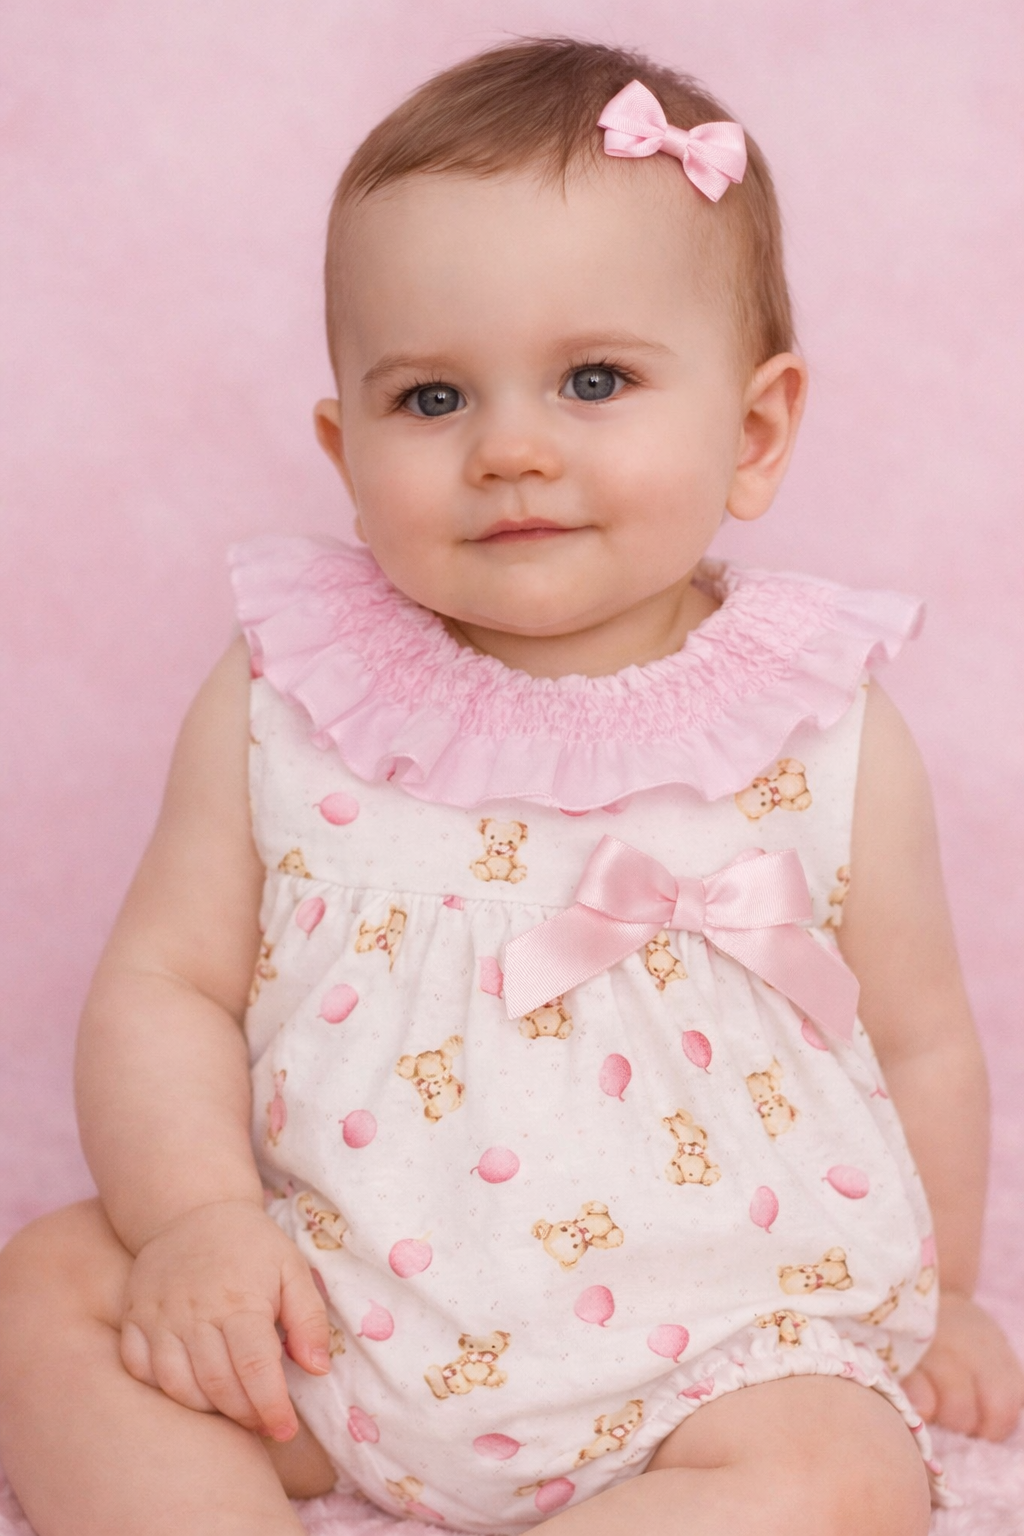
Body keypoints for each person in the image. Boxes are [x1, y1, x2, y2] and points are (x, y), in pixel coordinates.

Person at [0, 36, 1020, 1536]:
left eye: (594, 380)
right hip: (325, 1315)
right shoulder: (289, 690)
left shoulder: (821, 727)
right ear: (345, 449)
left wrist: (945, 1294)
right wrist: (202, 1224)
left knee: (842, 1475)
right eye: (432, 399)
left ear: (753, 432)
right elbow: (166, 983)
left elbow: (923, 1038)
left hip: (711, 1358)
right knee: (49, 1287)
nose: (513, 449)